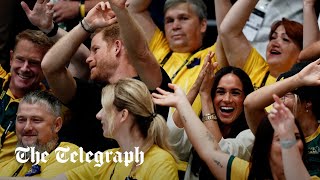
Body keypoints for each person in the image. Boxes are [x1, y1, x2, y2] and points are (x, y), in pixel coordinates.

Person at [41, 2, 171, 152]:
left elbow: (141, 54)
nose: (89, 59)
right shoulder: (93, 93)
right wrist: (86, 25)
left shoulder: (148, 87)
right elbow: (50, 67)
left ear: (117, 47)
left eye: (95, 49)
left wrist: (120, 10)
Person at [152, 84, 315, 180]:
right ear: (265, 147)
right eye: (281, 139)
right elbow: (209, 150)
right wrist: (182, 104)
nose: (293, 145)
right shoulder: (248, 175)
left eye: (297, 137)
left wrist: (286, 140)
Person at [56, 78, 178, 180]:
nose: (98, 115)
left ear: (123, 115)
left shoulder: (160, 162)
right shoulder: (108, 158)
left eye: (104, 108)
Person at [244, 60, 320, 177]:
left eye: (284, 96)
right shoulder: (273, 130)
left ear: (308, 102)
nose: (275, 104)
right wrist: (298, 79)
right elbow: (250, 105)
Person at [220, 0, 303, 90]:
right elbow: (228, 30)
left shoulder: (302, 85)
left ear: (301, 53)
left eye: (285, 39)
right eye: (273, 37)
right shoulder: (257, 69)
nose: (274, 43)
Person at [0, 91, 85, 177]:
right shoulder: (12, 163)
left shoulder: (70, 156)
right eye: (21, 119)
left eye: (36, 120)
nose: (26, 127)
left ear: (57, 125)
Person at [0, 29, 54, 163]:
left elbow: (81, 64)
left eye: (34, 62)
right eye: (20, 59)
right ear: (11, 58)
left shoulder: (50, 104)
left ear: (44, 67)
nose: (24, 68)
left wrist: (52, 29)